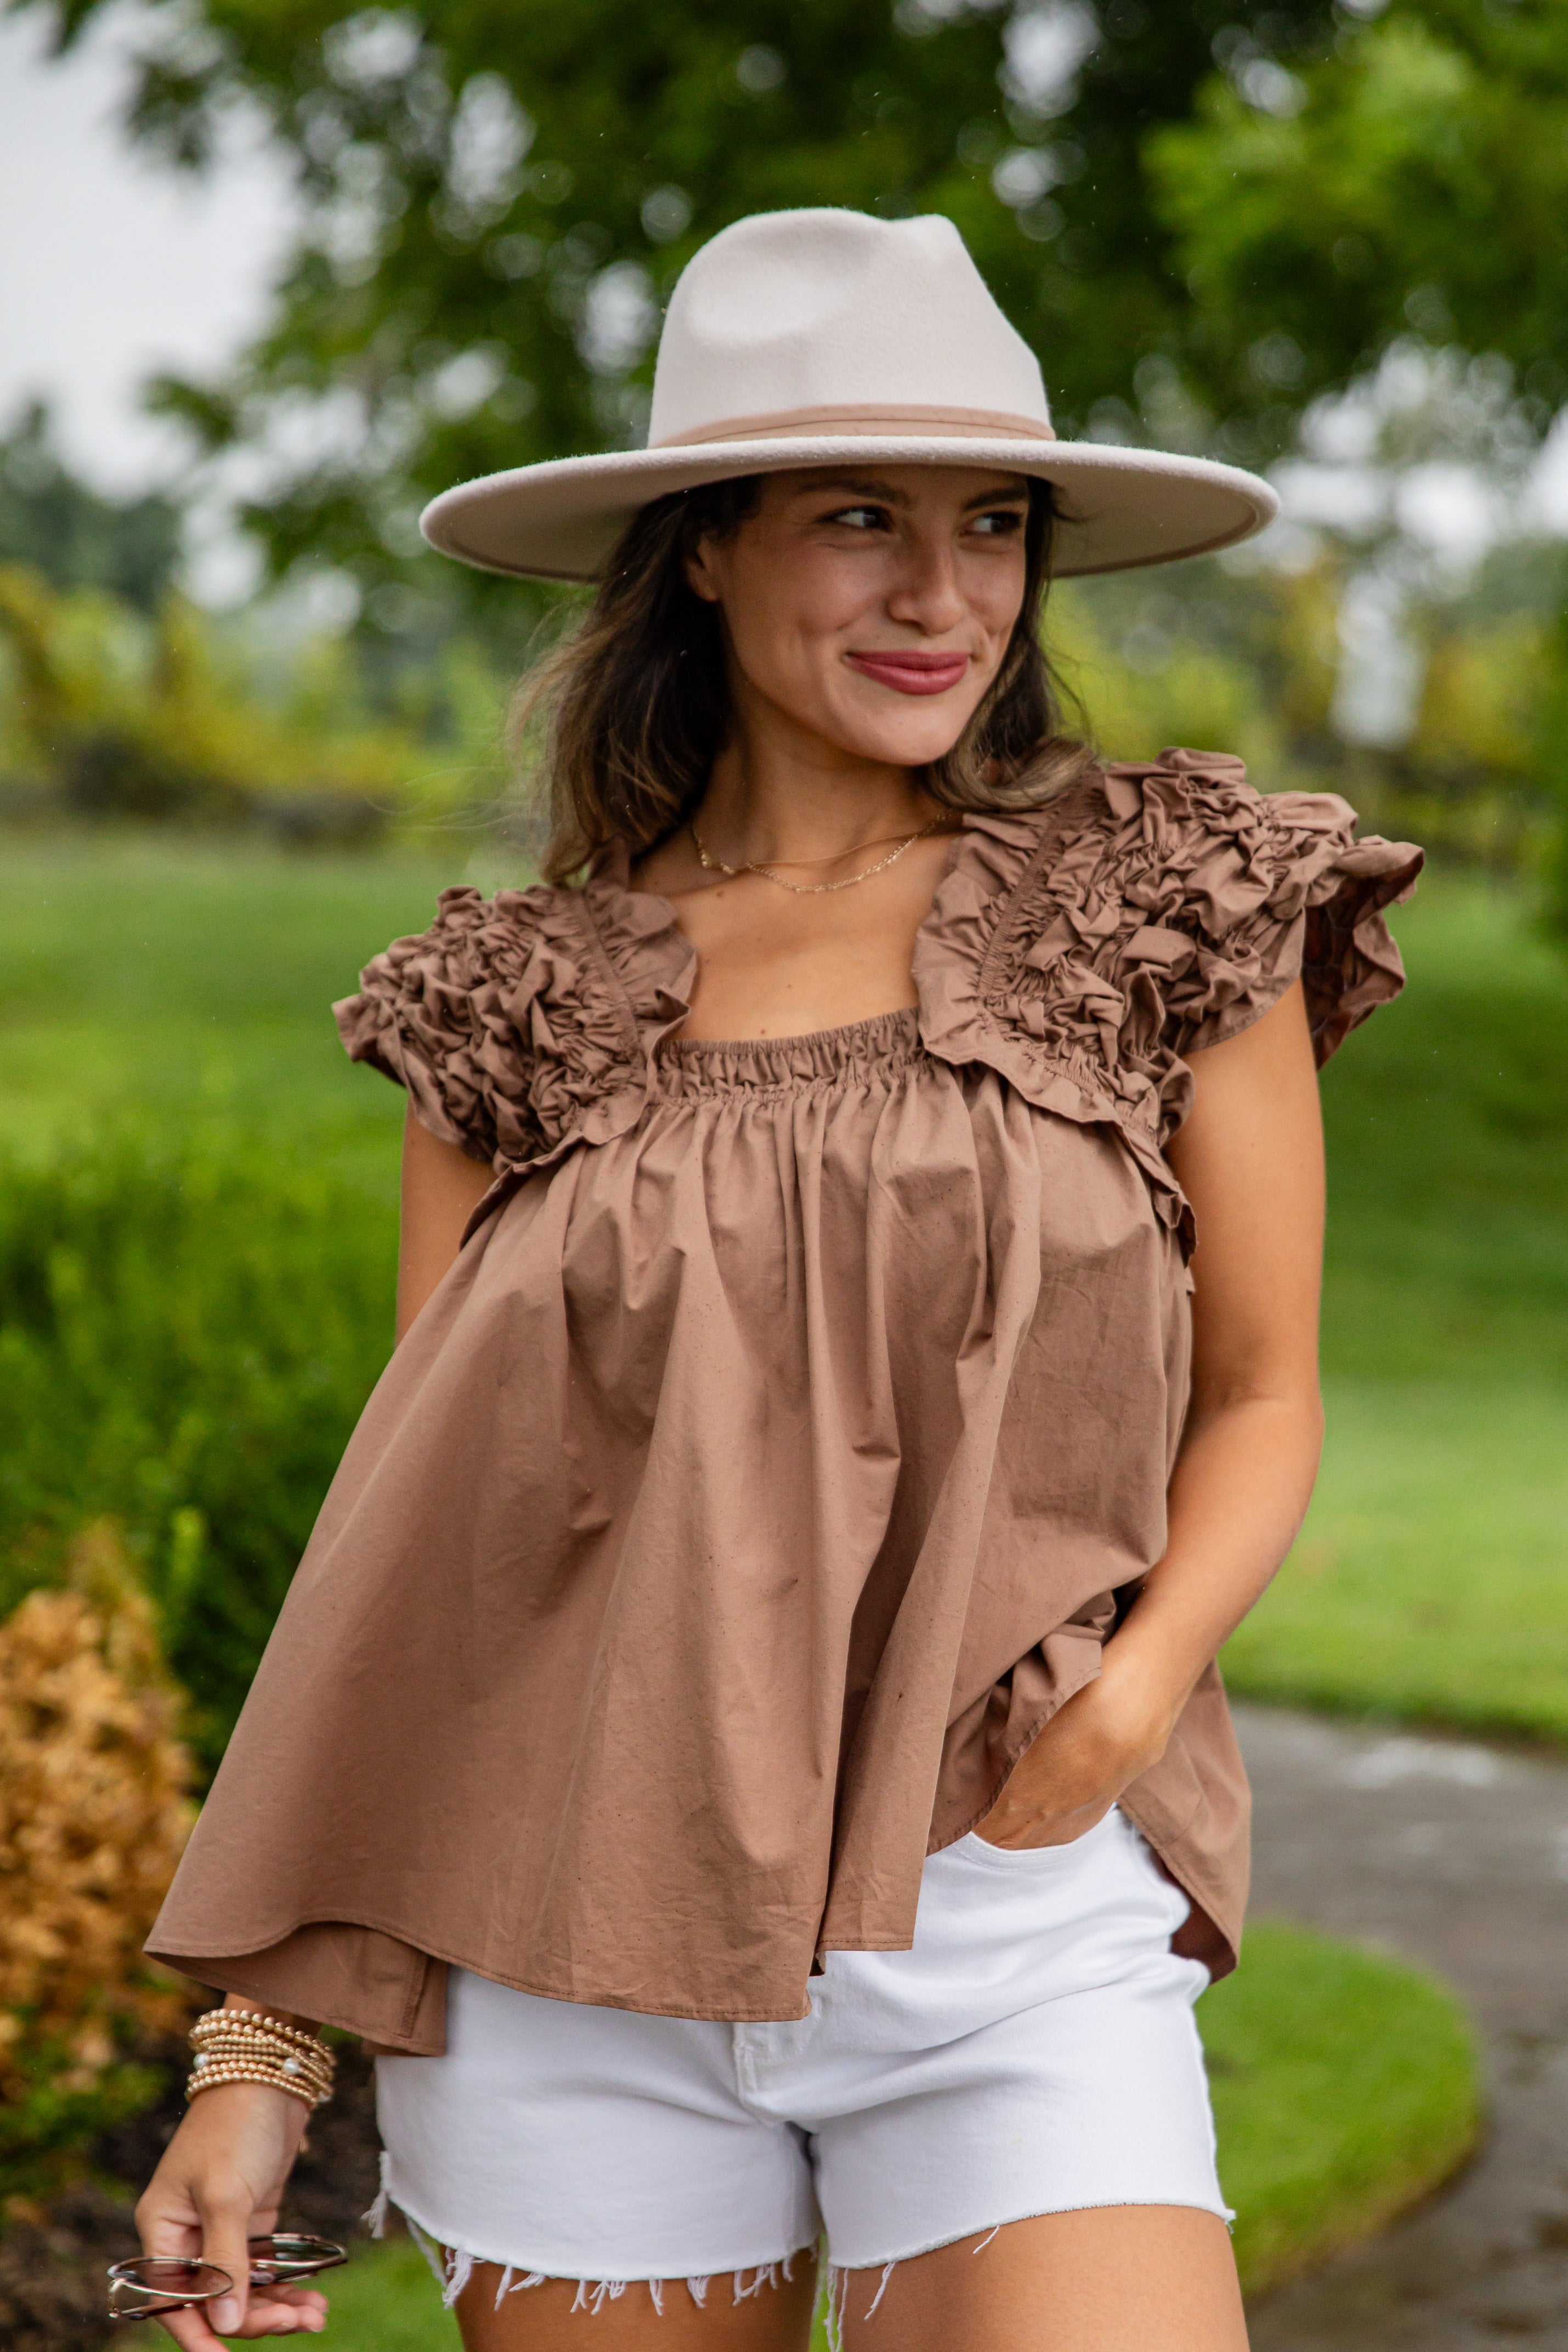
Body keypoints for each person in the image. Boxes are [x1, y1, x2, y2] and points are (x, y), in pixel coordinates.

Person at [136, 208, 1422, 2351]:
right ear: (706, 552)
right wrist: (262, 2052)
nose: (942, 593)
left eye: (990, 522)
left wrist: (1126, 1703)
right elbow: (432, 1559)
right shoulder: (520, 1004)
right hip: (570, 1955)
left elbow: (1263, 1392)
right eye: (855, 517)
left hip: (1003, 1914)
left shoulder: (1163, 906)